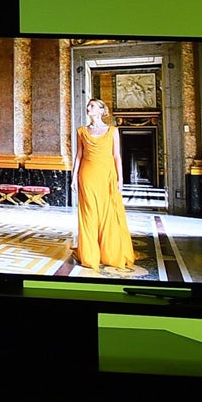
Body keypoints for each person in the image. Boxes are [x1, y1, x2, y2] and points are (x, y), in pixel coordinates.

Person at [72, 97, 135, 273]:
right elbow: (78, 155)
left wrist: (120, 179)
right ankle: (89, 255)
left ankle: (109, 253)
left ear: (101, 110)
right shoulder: (81, 131)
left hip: (107, 175)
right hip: (87, 174)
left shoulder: (112, 130)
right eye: (88, 105)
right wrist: (73, 177)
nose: (88, 108)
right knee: (89, 213)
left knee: (107, 214)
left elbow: (117, 156)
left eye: (92, 106)